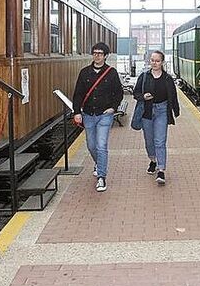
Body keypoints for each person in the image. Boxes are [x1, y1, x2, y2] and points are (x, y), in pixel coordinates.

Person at [72, 42, 123, 192]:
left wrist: (113, 108)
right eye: (95, 53)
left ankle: (101, 177)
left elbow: (118, 93)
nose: (97, 56)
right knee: (91, 145)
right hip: (88, 114)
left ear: (105, 56)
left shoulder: (111, 73)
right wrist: (77, 112)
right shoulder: (84, 72)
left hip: (104, 115)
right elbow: (78, 94)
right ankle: (98, 163)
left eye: (100, 53)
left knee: (101, 146)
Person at [133, 50, 180, 185]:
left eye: (157, 61)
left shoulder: (167, 79)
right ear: (149, 61)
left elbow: (173, 95)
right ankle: (153, 160)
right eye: (152, 60)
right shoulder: (144, 77)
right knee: (149, 141)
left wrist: (175, 111)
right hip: (147, 112)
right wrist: (143, 97)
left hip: (162, 111)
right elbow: (135, 93)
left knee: (160, 141)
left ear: (162, 62)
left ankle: (161, 170)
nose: (154, 63)